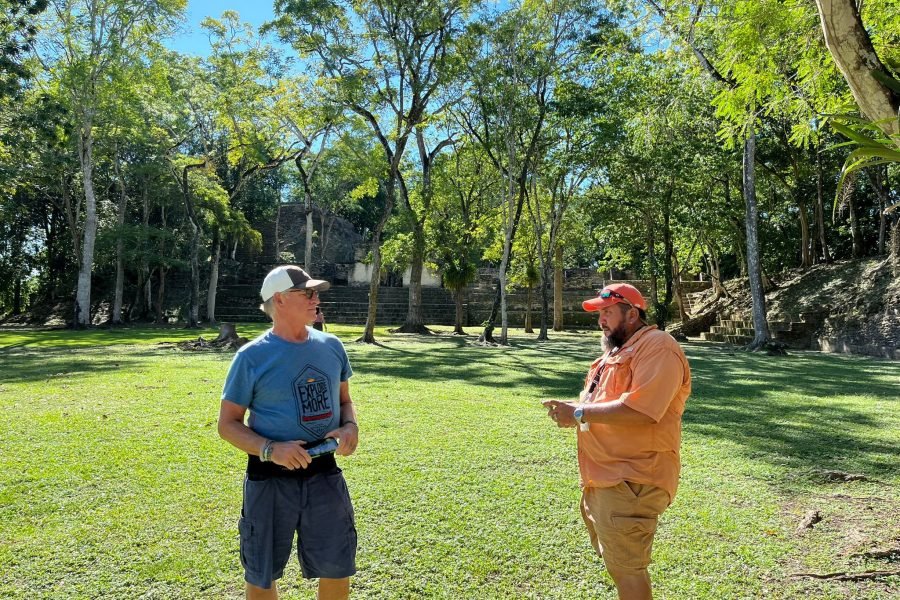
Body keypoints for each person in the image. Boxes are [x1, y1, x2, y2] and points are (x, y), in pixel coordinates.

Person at [218, 265, 360, 600]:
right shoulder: (251, 357)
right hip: (269, 479)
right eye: (307, 293)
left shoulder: (332, 346)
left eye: (316, 293)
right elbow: (228, 424)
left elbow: (344, 400)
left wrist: (350, 425)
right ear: (280, 300)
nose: (316, 299)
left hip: (325, 474)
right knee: (262, 573)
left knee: (337, 565)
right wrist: (270, 448)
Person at [543, 283, 691, 600]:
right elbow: (607, 402)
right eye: (600, 313)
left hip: (632, 479)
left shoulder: (658, 346)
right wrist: (576, 410)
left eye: (608, 312)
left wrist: (579, 413)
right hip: (605, 477)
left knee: (628, 571)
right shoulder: (617, 352)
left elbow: (643, 410)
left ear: (632, 314)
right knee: (618, 565)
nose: (601, 320)